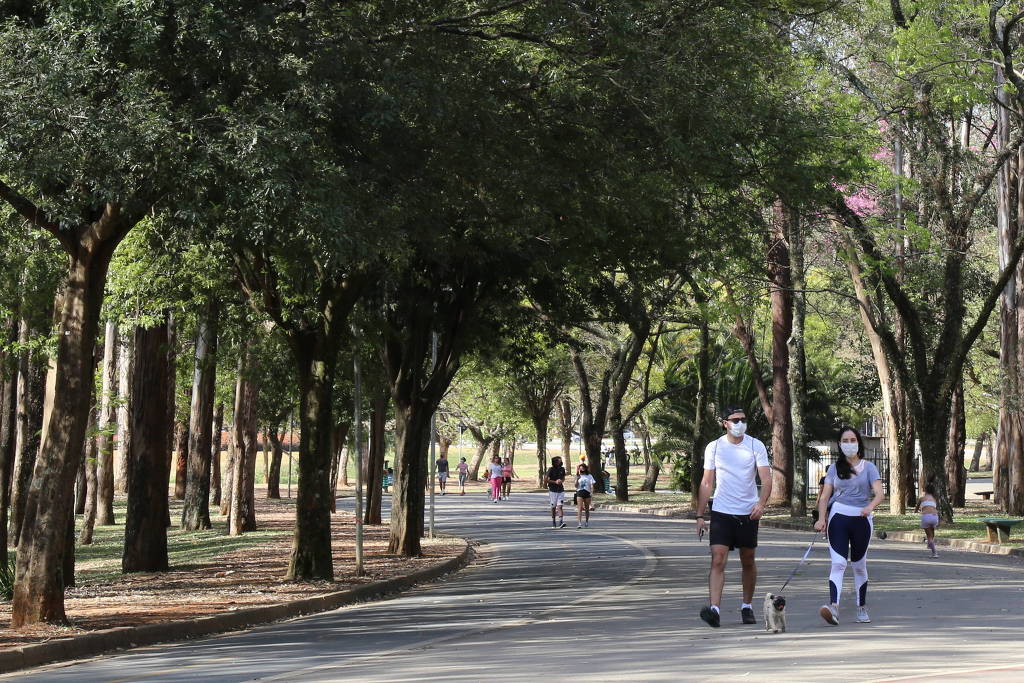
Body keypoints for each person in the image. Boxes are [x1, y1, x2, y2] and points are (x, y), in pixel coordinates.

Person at [695, 406, 771, 628]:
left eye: (743, 419)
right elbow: (707, 482)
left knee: (748, 559)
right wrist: (700, 515)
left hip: (748, 512)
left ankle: (746, 606)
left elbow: (766, 478)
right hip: (721, 511)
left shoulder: (755, 445)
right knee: (718, 559)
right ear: (724, 423)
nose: (740, 423)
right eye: (735, 420)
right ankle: (715, 610)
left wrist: (761, 504)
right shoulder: (715, 447)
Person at [814, 426, 884, 626]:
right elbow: (825, 496)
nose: (849, 444)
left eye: (852, 440)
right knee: (838, 563)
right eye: (845, 440)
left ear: (858, 443)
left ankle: (861, 608)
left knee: (859, 565)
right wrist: (821, 519)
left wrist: (869, 507)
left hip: (862, 520)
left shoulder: (869, 467)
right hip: (838, 518)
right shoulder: (834, 469)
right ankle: (833, 607)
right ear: (839, 444)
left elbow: (879, 493)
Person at [915, 482, 940, 558]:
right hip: (935, 516)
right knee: (932, 531)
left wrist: (916, 511)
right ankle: (930, 543)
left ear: (925, 491)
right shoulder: (934, 499)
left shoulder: (922, 499)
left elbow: (917, 508)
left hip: (926, 517)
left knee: (929, 535)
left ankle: (934, 553)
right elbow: (935, 507)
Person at [545, 456, 567, 528]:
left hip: (560, 490)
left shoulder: (562, 469)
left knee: (560, 506)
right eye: (559, 461)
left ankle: (561, 521)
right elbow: (546, 479)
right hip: (553, 490)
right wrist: (555, 482)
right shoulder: (551, 470)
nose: (561, 462)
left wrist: (561, 481)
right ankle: (553, 521)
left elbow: (563, 478)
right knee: (553, 507)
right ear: (555, 462)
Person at [575, 463, 596, 528]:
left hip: (587, 492)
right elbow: (576, 486)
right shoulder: (578, 476)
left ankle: (586, 521)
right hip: (579, 492)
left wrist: (591, 492)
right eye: (580, 469)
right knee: (580, 508)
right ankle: (579, 523)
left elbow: (592, 484)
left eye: (583, 469)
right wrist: (577, 479)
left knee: (587, 508)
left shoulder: (589, 476)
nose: (582, 470)